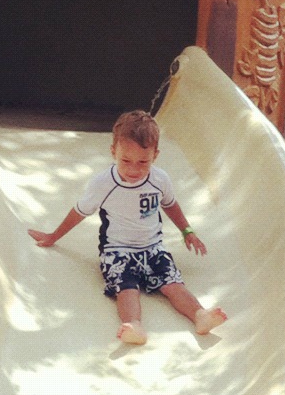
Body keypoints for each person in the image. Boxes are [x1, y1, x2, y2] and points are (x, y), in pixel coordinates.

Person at [27, 110, 226, 346]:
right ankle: (134, 325)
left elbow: (170, 204)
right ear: (114, 152)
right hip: (117, 250)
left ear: (155, 155)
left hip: (153, 248)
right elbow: (79, 212)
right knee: (127, 289)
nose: (134, 169)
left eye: (143, 162)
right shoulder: (103, 183)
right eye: (126, 161)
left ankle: (200, 315)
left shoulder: (159, 180)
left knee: (174, 284)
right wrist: (54, 236)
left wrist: (187, 231)